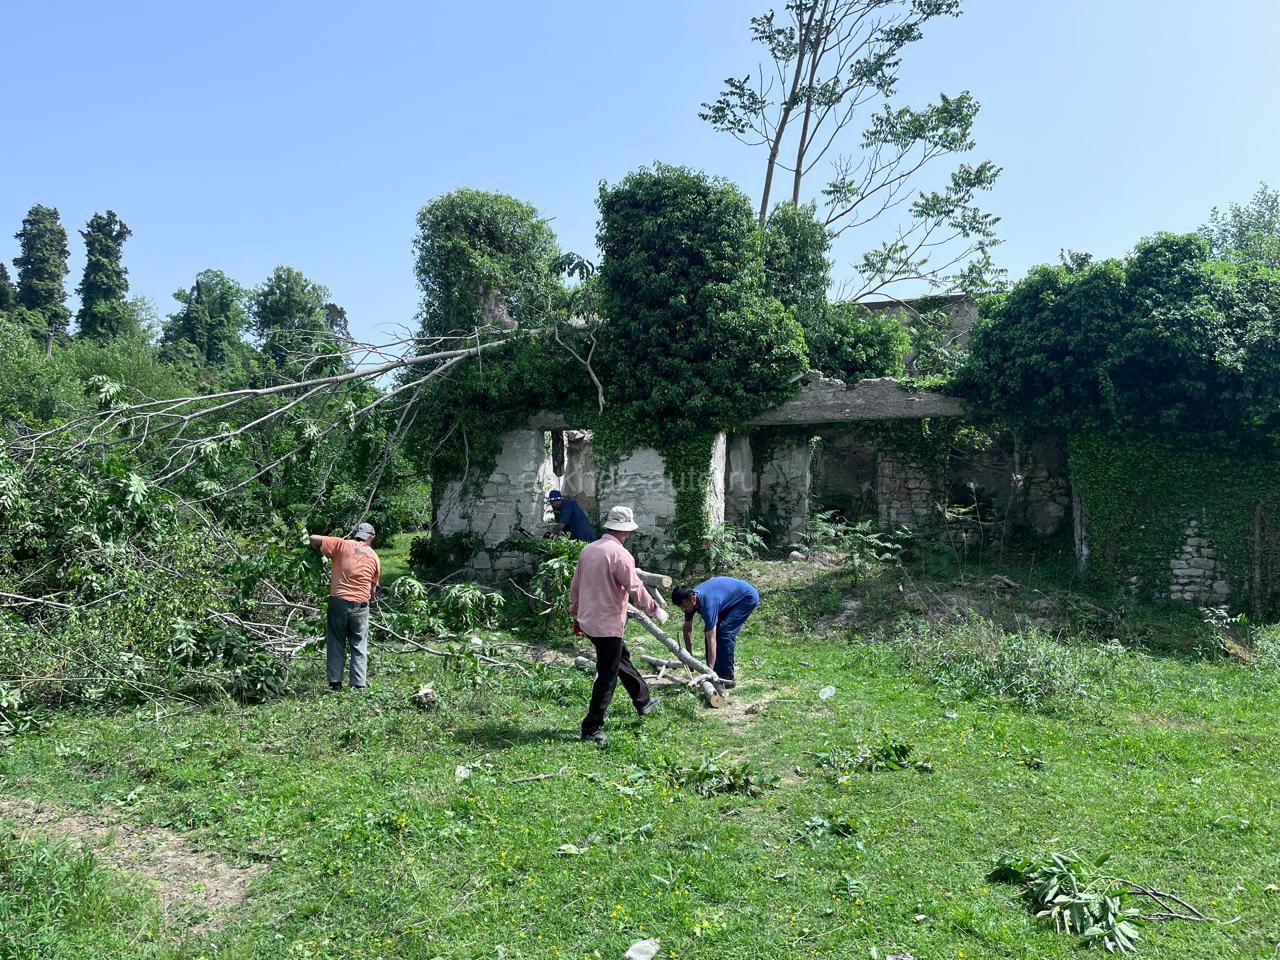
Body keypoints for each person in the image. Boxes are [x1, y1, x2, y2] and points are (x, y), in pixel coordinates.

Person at [569, 505, 668, 744]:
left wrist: (575, 610)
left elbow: (576, 583)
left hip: (589, 619)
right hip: (607, 624)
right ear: (624, 531)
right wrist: (655, 610)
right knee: (607, 674)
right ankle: (591, 727)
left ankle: (643, 700)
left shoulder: (588, 550)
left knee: (620, 657)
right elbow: (635, 588)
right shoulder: (620, 555)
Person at [308, 522, 381, 692]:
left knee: (336, 642)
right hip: (361, 605)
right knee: (359, 644)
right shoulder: (375, 557)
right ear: (371, 538)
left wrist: (321, 555)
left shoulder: (341, 544)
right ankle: (358, 685)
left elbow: (313, 538)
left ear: (357, 534)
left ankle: (335, 684)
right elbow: (373, 591)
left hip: (339, 602)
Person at [672, 576, 760, 684]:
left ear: (693, 599)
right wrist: (689, 657)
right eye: (681, 607)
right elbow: (687, 629)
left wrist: (708, 672)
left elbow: (712, 640)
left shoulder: (708, 605)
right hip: (725, 598)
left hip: (746, 597)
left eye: (685, 606)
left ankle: (727, 678)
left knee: (724, 632)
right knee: (712, 631)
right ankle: (715, 672)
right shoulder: (689, 601)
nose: (683, 610)